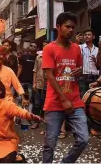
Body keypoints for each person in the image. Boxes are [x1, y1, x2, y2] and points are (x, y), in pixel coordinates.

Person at [42, 12, 89, 163]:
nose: (71, 30)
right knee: (50, 144)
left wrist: (80, 72)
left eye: (73, 28)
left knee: (83, 139)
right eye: (67, 26)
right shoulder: (49, 48)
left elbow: (79, 74)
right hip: (55, 103)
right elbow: (50, 76)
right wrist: (63, 100)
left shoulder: (77, 49)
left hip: (75, 102)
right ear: (58, 27)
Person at [76, 30, 99, 97]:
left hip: (95, 76)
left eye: (89, 34)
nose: (86, 36)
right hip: (83, 76)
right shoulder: (80, 47)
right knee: (82, 96)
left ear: (93, 37)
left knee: (94, 97)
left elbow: (99, 65)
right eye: (85, 35)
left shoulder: (97, 49)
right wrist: (77, 42)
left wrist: (96, 62)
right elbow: (73, 52)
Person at [31, 40, 49, 129]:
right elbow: (35, 70)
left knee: (47, 105)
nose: (45, 47)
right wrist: (34, 83)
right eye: (43, 46)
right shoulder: (39, 57)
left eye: (47, 45)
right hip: (39, 83)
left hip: (49, 84)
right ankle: (36, 122)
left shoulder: (52, 57)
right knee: (37, 104)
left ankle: (46, 124)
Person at [17, 41, 38, 112]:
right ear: (29, 47)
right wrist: (17, 78)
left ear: (36, 48)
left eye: (35, 46)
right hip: (22, 81)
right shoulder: (24, 56)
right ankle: (19, 116)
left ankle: (28, 115)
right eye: (32, 45)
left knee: (30, 99)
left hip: (31, 82)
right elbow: (20, 67)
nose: (33, 47)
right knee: (20, 99)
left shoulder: (37, 57)